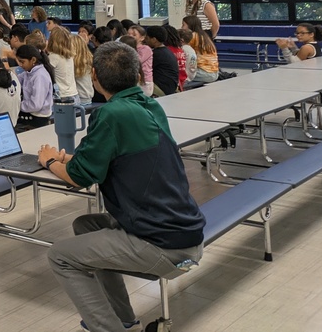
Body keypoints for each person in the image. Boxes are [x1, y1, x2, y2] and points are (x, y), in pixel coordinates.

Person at [38, 41, 205, 332]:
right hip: (187, 232)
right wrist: (73, 158)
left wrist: (51, 162)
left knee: (61, 256)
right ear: (138, 74)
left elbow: (79, 177)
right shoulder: (150, 106)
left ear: (94, 76)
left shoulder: (110, 114)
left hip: (162, 243)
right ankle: (124, 319)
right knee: (86, 225)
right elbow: (119, 155)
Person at [15, 44, 54, 129]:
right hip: (31, 112)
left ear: (33, 60)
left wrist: (16, 105)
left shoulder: (40, 76)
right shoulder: (29, 72)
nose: (20, 65)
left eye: (22, 62)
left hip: (38, 118)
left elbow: (36, 105)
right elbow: (17, 80)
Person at [144, 26, 179, 96]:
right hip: (171, 87)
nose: (145, 40)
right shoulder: (167, 51)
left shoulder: (156, 54)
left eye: (147, 38)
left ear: (154, 39)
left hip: (162, 88)